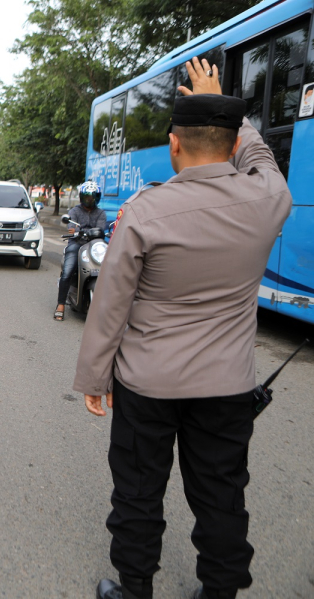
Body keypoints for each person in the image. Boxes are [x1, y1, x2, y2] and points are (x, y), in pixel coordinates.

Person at [74, 57, 292, 599]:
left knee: (138, 491)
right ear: (231, 143)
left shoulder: (146, 211)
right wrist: (228, 111)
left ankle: (134, 589)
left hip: (146, 385)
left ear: (174, 145)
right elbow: (262, 159)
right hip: (228, 387)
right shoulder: (269, 200)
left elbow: (111, 305)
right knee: (222, 496)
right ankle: (219, 592)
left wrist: (95, 378)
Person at [53, 180, 106, 320]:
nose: (90, 199)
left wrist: (82, 230)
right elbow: (72, 228)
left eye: (93, 196)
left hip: (94, 246)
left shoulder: (101, 213)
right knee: (68, 272)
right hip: (76, 244)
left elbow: (100, 230)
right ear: (82, 197)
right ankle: (60, 305)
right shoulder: (74, 211)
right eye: (87, 196)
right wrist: (77, 231)